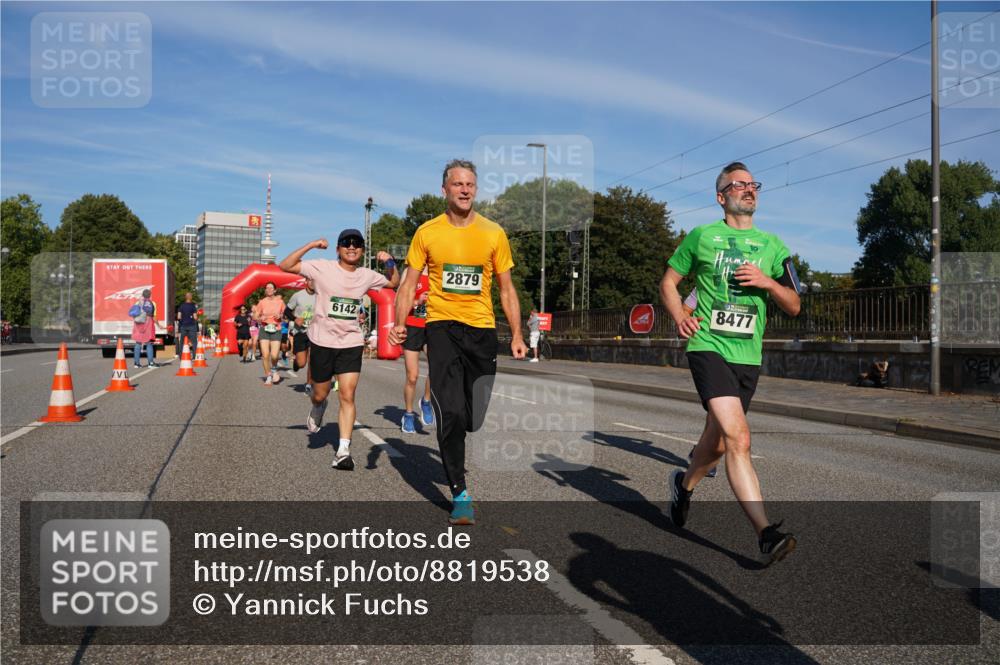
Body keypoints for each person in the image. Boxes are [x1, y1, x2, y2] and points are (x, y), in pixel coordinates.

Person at [660, 161, 801, 565]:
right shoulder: (702, 236)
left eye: (752, 184)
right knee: (739, 438)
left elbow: (794, 304)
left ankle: (683, 486)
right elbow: (669, 282)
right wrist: (679, 316)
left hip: (747, 355)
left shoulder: (773, 245)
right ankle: (765, 533)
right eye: (738, 185)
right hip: (707, 346)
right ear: (721, 197)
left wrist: (768, 282)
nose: (748, 189)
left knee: (719, 443)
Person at [389, 159, 527, 525]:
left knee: (472, 418)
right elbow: (408, 284)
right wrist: (399, 323)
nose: (464, 189)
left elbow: (506, 289)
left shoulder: (493, 232)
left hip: (481, 330)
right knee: (449, 412)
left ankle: (458, 432)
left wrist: (516, 334)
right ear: (445, 189)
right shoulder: (427, 232)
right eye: (457, 184)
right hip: (442, 327)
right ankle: (460, 493)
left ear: (475, 190)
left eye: (470, 184)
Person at [279, 230, 399, 470]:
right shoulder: (322, 267)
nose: (351, 247)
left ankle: (343, 451)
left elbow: (394, 282)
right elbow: (286, 265)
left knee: (347, 394)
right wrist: (312, 244)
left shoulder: (366, 275)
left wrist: (389, 262)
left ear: (362, 250)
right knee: (320, 394)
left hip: (351, 343)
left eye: (357, 244)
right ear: (338, 249)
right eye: (346, 243)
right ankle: (318, 406)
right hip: (322, 342)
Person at [399, 265, 434, 434]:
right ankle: (408, 414)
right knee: (412, 376)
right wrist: (417, 302)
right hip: (413, 326)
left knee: (438, 368)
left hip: (433, 326)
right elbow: (398, 300)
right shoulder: (410, 271)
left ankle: (426, 401)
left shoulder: (439, 268)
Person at [285, 278, 317, 385]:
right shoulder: (297, 295)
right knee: (302, 363)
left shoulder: (321, 295)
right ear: (306, 282)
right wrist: (295, 319)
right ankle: (297, 362)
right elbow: (287, 311)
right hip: (300, 332)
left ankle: (309, 384)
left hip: (314, 332)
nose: (312, 283)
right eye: (310, 280)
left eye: (315, 280)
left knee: (313, 360)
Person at [252, 282, 286, 385]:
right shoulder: (262, 302)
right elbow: (255, 316)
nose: (269, 290)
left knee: (274, 356)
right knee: (265, 355)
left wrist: (280, 316)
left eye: (271, 288)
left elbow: (286, 315)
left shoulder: (280, 302)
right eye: (267, 288)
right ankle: (268, 375)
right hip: (264, 329)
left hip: (276, 329)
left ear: (275, 290)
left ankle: (274, 369)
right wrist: (259, 318)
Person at [130, 288, 158, 368]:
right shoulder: (152, 303)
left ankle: (136, 363)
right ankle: (150, 363)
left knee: (138, 343)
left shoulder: (137, 302)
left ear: (142, 295)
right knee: (149, 343)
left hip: (138, 324)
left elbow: (133, 313)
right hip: (148, 325)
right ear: (150, 295)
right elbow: (154, 317)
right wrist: (159, 325)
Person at [175, 292, 200, 359]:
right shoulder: (193, 306)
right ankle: (194, 356)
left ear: (185, 297)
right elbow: (195, 317)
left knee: (182, 342)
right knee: (194, 342)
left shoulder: (181, 306)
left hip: (183, 326)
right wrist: (197, 318)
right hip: (192, 326)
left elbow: (178, 317)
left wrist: (181, 322)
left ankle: (181, 356)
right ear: (191, 297)